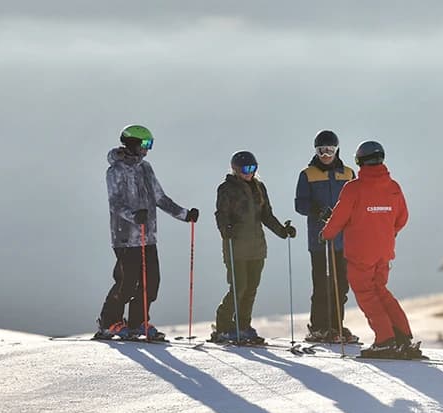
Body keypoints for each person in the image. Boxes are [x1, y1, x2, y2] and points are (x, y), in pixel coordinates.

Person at [320, 141, 422, 359]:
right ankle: (402, 337)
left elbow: (339, 218)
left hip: (361, 252)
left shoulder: (354, 188)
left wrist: (326, 234)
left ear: (359, 161)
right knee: (381, 290)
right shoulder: (393, 187)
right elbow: (402, 218)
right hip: (384, 250)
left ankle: (385, 340)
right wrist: (386, 232)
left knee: (367, 293)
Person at [96, 124, 199, 340]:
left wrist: (185, 214)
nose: (147, 149)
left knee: (151, 283)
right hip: (125, 238)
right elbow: (115, 203)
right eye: (145, 144)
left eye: (149, 144)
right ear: (132, 143)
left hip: (148, 236)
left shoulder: (145, 168)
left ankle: (137, 323)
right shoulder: (115, 171)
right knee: (126, 282)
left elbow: (159, 198)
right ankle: (109, 322)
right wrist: (134, 216)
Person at [212, 151, 296, 344]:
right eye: (245, 169)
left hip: (257, 246)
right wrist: (225, 229)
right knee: (238, 287)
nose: (249, 173)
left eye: (252, 168)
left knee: (251, 288)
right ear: (235, 169)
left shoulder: (259, 187)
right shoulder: (226, 188)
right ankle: (223, 326)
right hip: (236, 246)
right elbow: (220, 213)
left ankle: (242, 325)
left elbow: (266, 215)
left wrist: (283, 231)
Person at [294, 130, 359, 343]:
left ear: (337, 150)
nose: (325, 155)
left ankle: (336, 325)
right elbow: (300, 204)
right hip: (319, 239)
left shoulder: (348, 174)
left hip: (344, 239)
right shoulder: (308, 174)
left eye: (329, 150)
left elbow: (356, 201)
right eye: (321, 150)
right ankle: (319, 327)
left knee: (341, 284)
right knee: (322, 283)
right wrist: (317, 210)